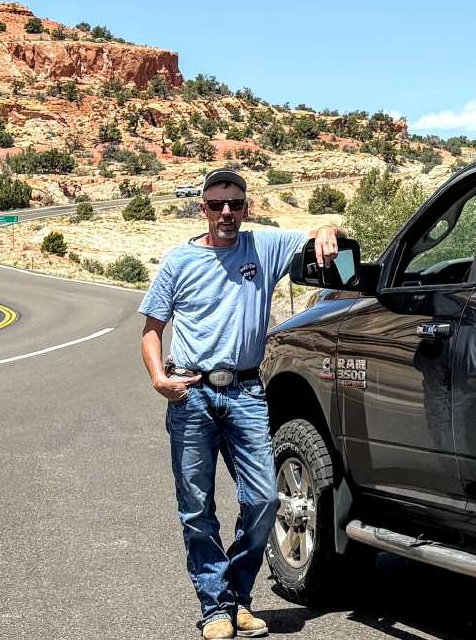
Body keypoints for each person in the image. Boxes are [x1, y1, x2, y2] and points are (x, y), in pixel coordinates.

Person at [139, 169, 343, 639]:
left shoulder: (262, 248)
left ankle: (237, 596)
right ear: (203, 209)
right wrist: (158, 378)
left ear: (247, 208)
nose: (226, 213)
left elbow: (315, 235)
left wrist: (328, 229)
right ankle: (217, 609)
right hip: (192, 394)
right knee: (196, 506)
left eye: (235, 204)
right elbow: (152, 330)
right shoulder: (179, 262)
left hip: (248, 392)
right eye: (216, 205)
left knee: (265, 499)